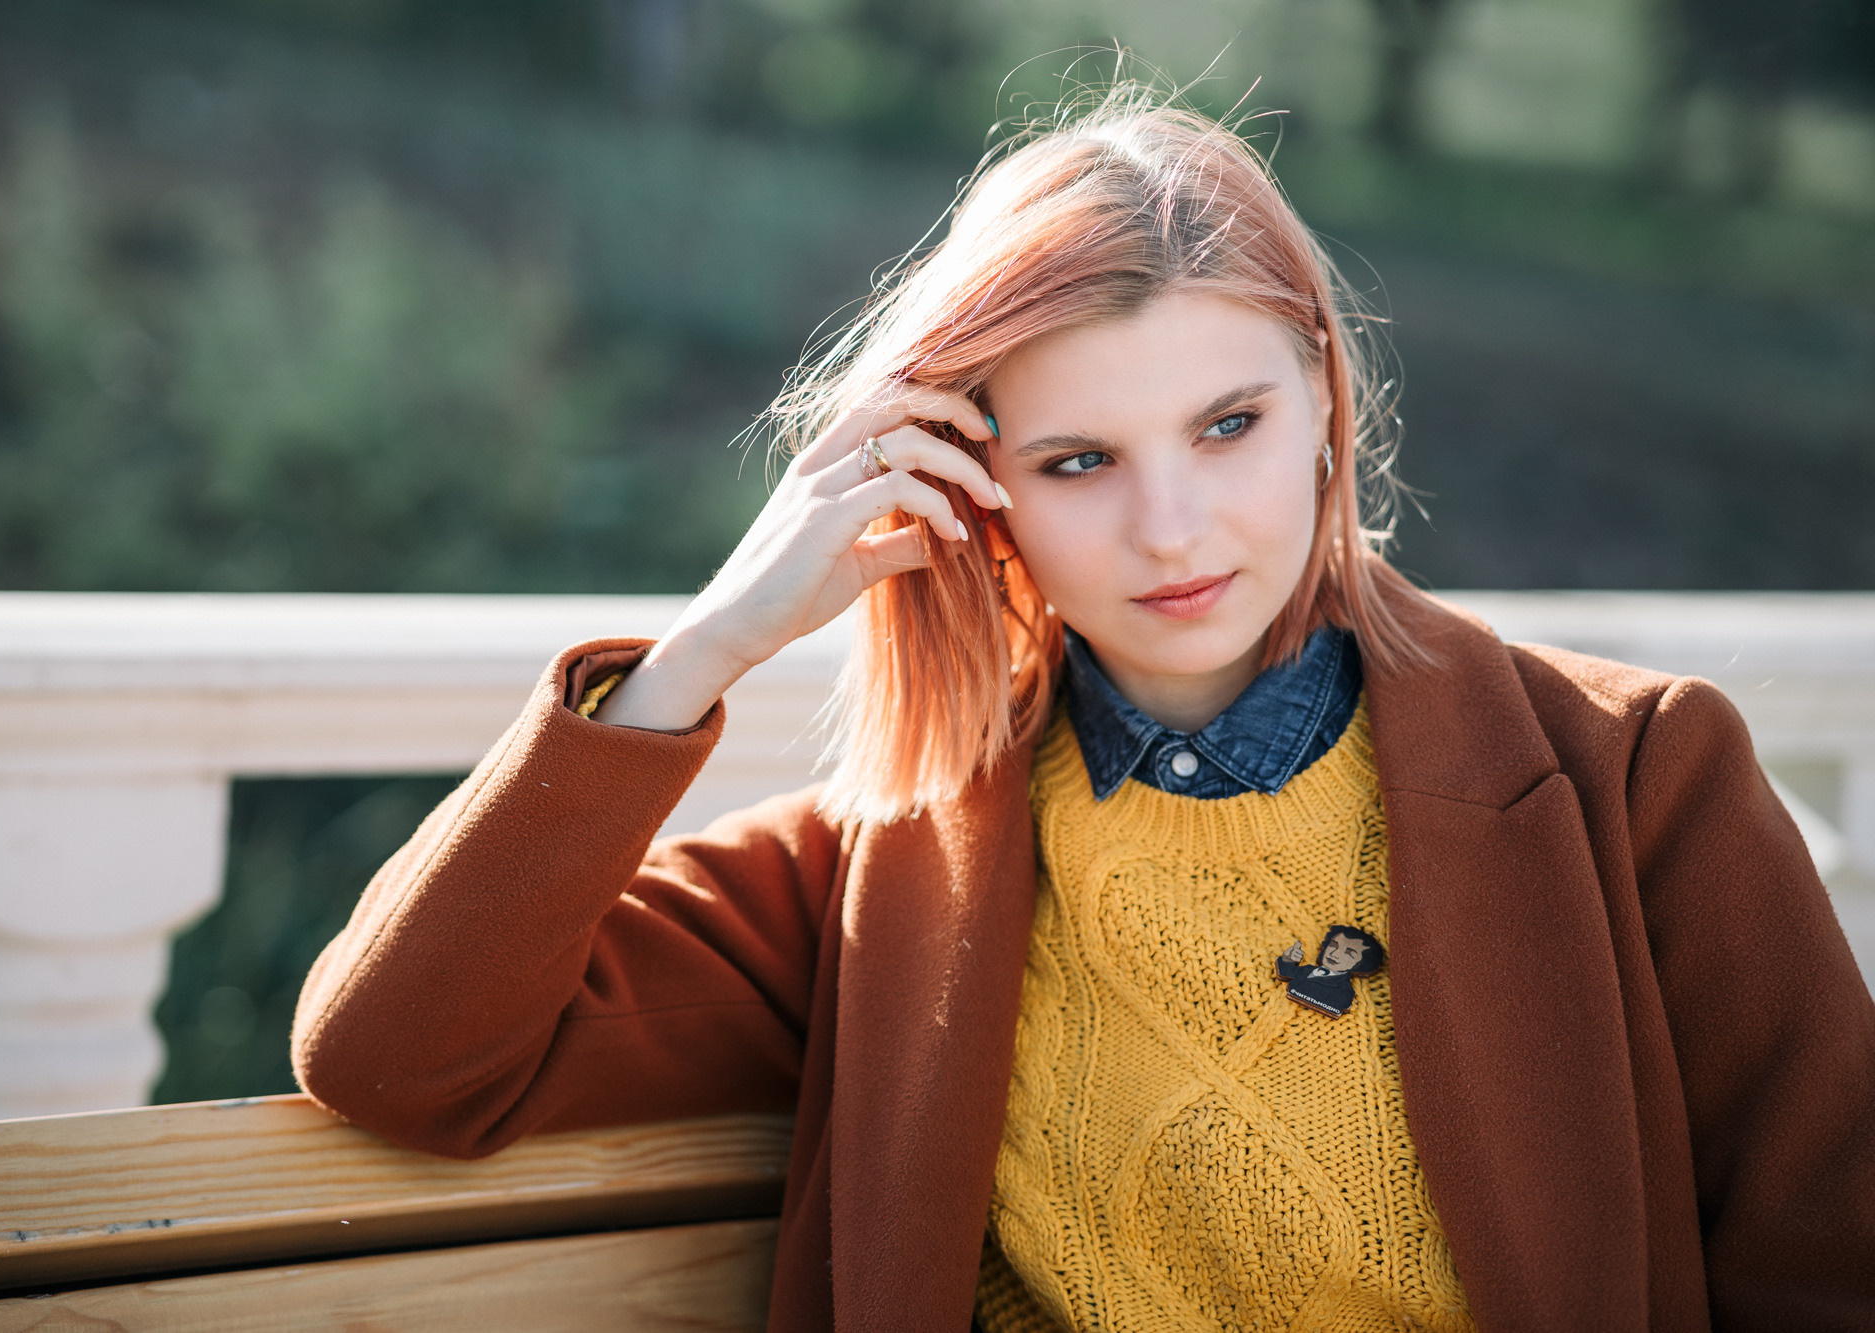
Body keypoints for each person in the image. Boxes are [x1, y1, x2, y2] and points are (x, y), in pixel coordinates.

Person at [291, 83, 1875, 1332]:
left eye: (1230, 423)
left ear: (1327, 395)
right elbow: (399, 1054)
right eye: (1079, 462)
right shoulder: (886, 872)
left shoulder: (1637, 779)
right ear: (972, 483)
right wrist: (711, 640)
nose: (1174, 527)